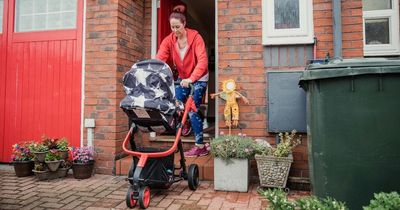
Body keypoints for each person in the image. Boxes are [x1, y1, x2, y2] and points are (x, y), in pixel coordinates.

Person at [156, 5, 209, 157]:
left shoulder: (196, 38)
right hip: (183, 77)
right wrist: (153, 71)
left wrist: (192, 78)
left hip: (198, 77)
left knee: (191, 109)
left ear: (184, 24)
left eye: (177, 27)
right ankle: (185, 123)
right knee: (175, 101)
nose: (175, 31)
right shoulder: (169, 40)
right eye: (172, 27)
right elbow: (160, 58)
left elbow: (203, 62)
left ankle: (200, 146)